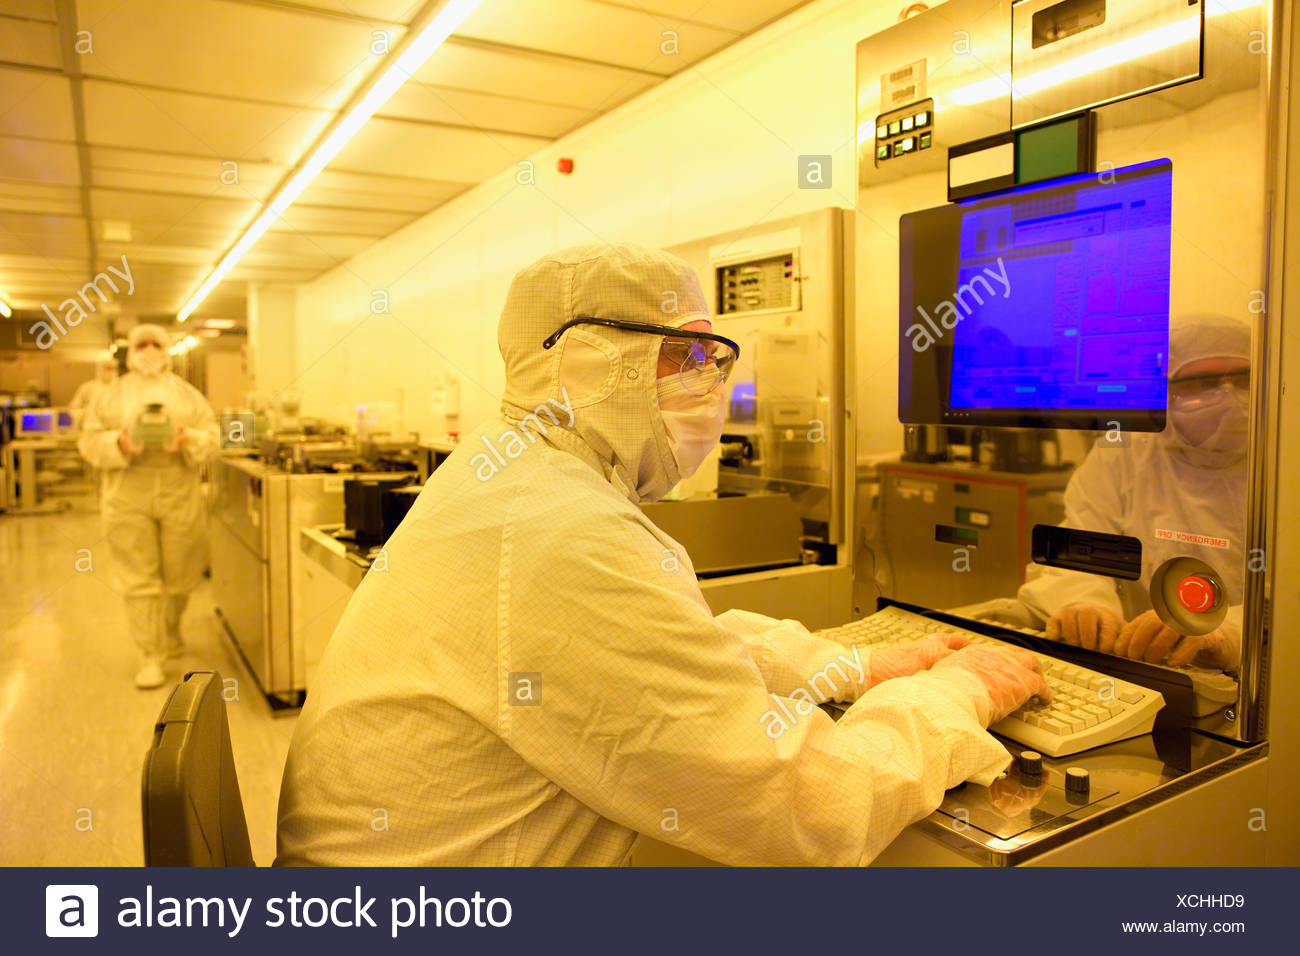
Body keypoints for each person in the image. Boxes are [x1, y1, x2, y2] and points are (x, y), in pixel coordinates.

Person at [275, 243, 1048, 867]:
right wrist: (953, 696)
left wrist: (849, 667)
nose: (712, 384)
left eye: (714, 359)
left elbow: (667, 656)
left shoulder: (514, 471)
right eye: (687, 357)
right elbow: (812, 809)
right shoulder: (561, 532)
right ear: (585, 361)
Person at [1018, 316, 1250, 670]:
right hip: (1145, 662)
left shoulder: (1283, 460)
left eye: (1244, 379)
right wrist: (1088, 606)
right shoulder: (1127, 452)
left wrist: (1228, 632)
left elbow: (1285, 596)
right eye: (1203, 382)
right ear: (1167, 390)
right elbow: (1081, 545)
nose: (1228, 395)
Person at [78, 324, 220, 688]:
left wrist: (187, 439)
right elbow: (89, 441)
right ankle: (149, 655)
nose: (149, 350)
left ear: (168, 349)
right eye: (142, 344)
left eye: (157, 343)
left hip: (178, 489)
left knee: (181, 569)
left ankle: (169, 634)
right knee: (138, 575)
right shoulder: (110, 396)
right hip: (128, 492)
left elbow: (213, 437)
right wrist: (121, 444)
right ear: (130, 350)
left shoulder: (187, 396)